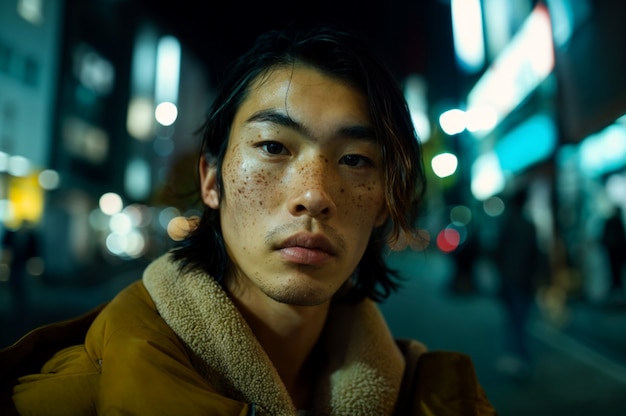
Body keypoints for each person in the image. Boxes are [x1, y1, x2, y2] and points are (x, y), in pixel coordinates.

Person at [0, 27, 495, 415]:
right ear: (211, 181)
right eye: (274, 147)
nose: (314, 195)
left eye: (355, 159)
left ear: (385, 200)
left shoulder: (438, 399)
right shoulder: (79, 395)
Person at [493, 188, 543, 379]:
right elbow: (535, 255)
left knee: (512, 320)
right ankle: (522, 358)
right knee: (521, 320)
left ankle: (514, 356)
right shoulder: (529, 226)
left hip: (511, 278)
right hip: (525, 280)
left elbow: (498, 252)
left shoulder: (507, 224)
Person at [601, 205, 626, 300]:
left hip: (614, 252)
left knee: (615, 273)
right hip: (614, 252)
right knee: (615, 272)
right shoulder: (614, 222)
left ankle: (616, 291)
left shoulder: (614, 222)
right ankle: (616, 291)